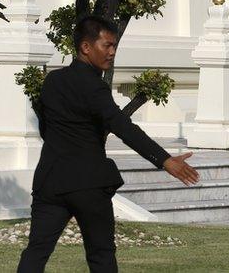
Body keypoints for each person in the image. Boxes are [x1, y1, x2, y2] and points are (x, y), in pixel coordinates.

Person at [18, 16, 199, 273]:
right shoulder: (94, 86)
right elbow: (122, 126)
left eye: (114, 46)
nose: (112, 52)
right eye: (107, 45)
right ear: (86, 47)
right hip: (88, 184)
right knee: (101, 255)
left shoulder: (52, 81)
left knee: (36, 251)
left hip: (51, 180)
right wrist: (164, 160)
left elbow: (46, 129)